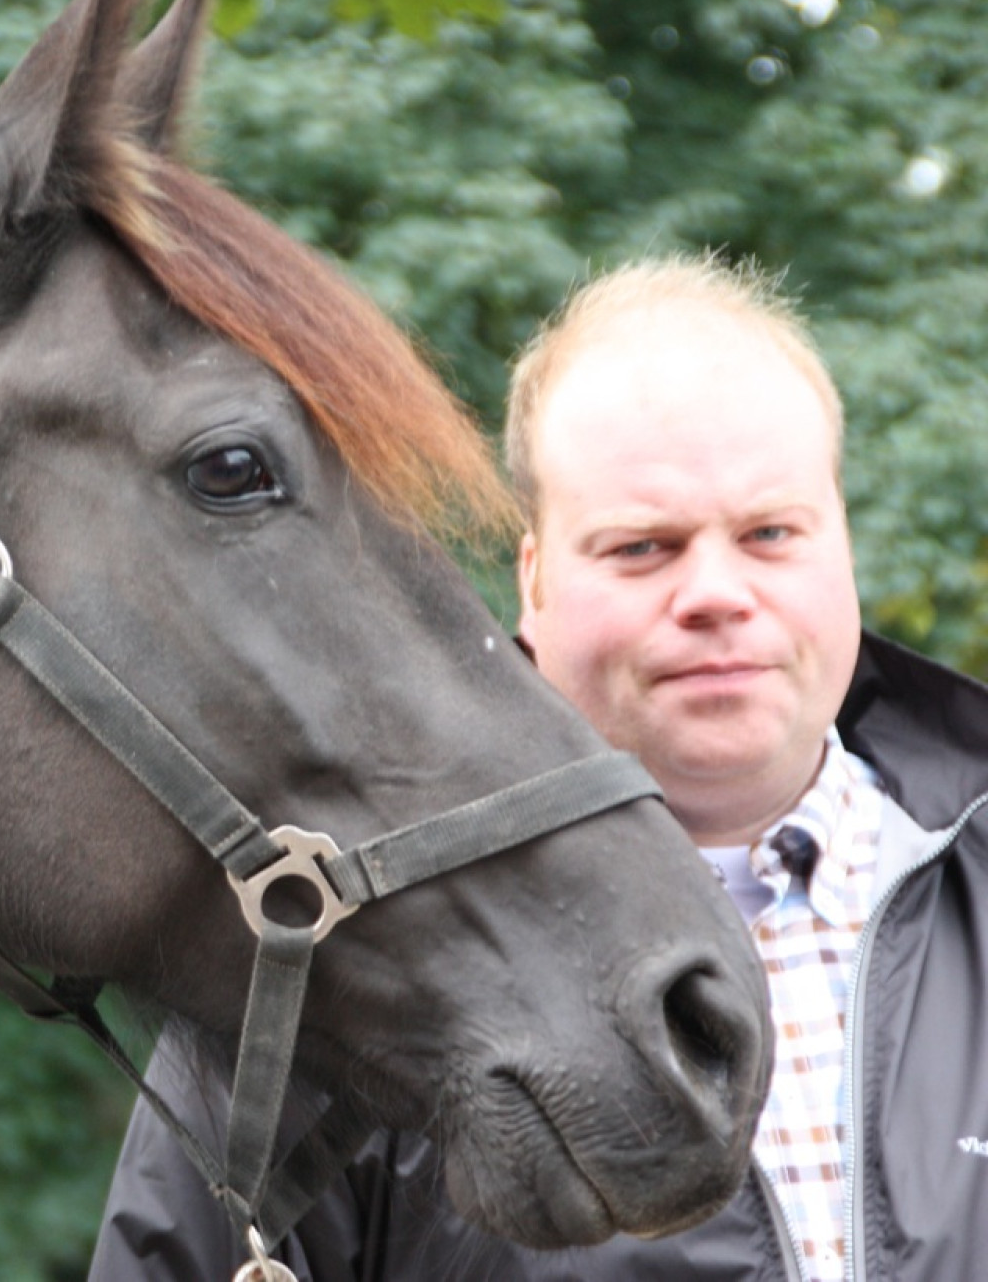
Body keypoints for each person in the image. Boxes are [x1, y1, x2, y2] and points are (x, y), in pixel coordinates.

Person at [88, 256, 988, 1281]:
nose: (715, 592)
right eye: (641, 547)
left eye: (769, 533)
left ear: (841, 545)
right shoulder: (325, 964)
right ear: (533, 580)